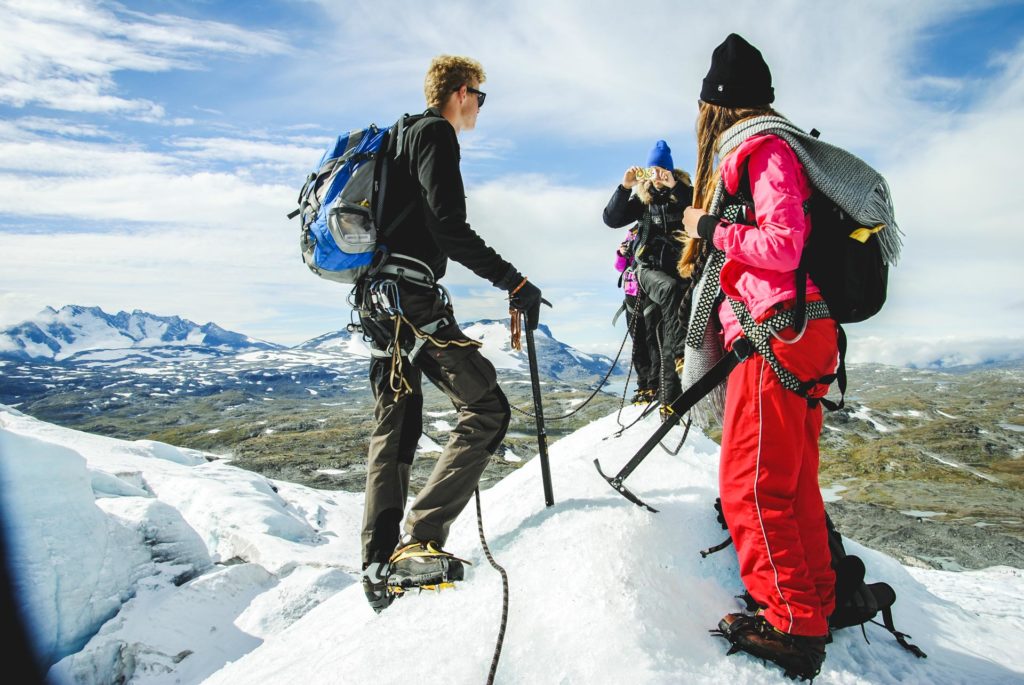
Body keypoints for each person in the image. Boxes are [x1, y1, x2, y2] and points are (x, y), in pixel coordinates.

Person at [356, 55, 544, 613]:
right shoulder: (436, 133)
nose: (479, 108)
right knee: (486, 408)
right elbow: (448, 225)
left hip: (376, 299)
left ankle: (378, 564)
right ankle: (420, 538)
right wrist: (516, 281)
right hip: (412, 299)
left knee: (397, 424)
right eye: (480, 97)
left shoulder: (397, 135)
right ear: (461, 92)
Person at [679, 34, 838, 680]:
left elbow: (783, 242)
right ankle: (816, 600)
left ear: (718, 107)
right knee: (792, 481)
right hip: (801, 330)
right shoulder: (771, 149)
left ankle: (792, 622)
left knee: (749, 482)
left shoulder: (763, 150)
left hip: (778, 329)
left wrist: (709, 228)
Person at [603, 142, 692, 417]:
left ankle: (669, 399)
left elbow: (698, 205)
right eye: (654, 170)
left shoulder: (684, 193)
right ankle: (680, 355)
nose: (658, 175)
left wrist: (675, 186)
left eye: (663, 169)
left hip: (679, 270)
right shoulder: (643, 199)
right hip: (649, 271)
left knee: (666, 330)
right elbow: (611, 219)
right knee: (666, 298)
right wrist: (625, 187)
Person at [613, 226, 658, 404]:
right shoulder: (632, 233)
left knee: (652, 339)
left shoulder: (654, 229)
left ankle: (654, 384)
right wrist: (620, 253)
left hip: (649, 291)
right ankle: (644, 384)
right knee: (638, 342)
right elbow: (619, 267)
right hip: (632, 293)